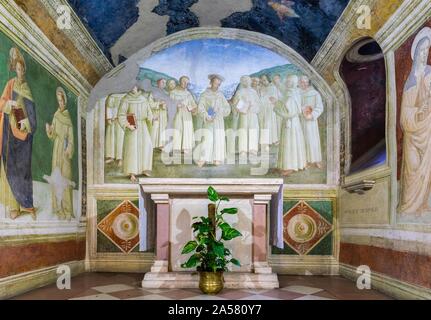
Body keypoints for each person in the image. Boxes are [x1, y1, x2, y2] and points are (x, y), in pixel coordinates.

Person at [0, 51, 37, 220]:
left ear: (25, 70)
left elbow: (32, 117)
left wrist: (27, 123)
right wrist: (9, 103)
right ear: (15, 69)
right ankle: (14, 206)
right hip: (9, 131)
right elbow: (1, 102)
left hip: (23, 136)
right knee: (10, 167)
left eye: (22, 69)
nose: (19, 71)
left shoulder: (28, 89)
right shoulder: (10, 84)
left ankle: (26, 204)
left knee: (23, 169)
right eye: (17, 68)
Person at [399, 27, 431, 215]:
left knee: (427, 168)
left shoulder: (429, 73)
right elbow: (404, 117)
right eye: (421, 50)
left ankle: (423, 204)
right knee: (413, 169)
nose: (424, 54)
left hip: (428, 130)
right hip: (413, 133)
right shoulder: (410, 80)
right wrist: (418, 112)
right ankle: (409, 206)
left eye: (427, 50)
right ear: (415, 51)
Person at [45, 87, 74, 220]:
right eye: (58, 101)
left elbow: (71, 138)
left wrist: (69, 147)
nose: (60, 103)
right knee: (56, 178)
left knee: (65, 178)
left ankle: (67, 209)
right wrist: (50, 130)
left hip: (64, 150)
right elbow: (53, 135)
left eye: (62, 100)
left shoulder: (68, 117)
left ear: (65, 101)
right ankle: (58, 208)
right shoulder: (56, 115)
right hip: (56, 149)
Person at [118, 85, 154, 182]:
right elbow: (121, 114)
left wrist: (151, 118)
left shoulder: (143, 99)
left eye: (134, 86)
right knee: (132, 150)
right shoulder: (126, 99)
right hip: (132, 127)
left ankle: (144, 168)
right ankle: (131, 173)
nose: (132, 88)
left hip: (143, 125)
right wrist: (127, 125)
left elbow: (149, 112)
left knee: (147, 145)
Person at [273, 75, 307, 175]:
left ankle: (289, 167)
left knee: (289, 143)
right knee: (294, 142)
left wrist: (276, 105)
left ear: (291, 83)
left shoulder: (291, 94)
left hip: (290, 122)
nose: (286, 83)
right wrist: (278, 83)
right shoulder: (294, 91)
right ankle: (298, 164)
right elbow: (285, 99)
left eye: (287, 82)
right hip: (294, 122)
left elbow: (288, 112)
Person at [196, 74, 231, 167]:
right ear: (211, 82)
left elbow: (227, 107)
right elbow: (200, 107)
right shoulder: (205, 94)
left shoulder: (220, 95)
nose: (217, 86)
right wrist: (207, 116)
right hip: (209, 119)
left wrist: (221, 111)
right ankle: (203, 158)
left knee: (218, 138)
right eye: (215, 83)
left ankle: (217, 158)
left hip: (219, 120)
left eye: (219, 84)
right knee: (208, 138)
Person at [230, 76, 261, 157]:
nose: (247, 82)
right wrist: (243, 105)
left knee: (253, 130)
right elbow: (235, 104)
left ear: (250, 81)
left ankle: (253, 149)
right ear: (242, 82)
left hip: (253, 114)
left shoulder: (254, 92)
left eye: (248, 80)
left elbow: (258, 103)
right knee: (243, 131)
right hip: (243, 115)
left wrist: (252, 106)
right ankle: (242, 150)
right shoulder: (239, 92)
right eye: (244, 81)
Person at [299, 75, 324, 168]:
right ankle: (306, 161)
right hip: (301, 120)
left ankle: (316, 160)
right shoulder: (298, 93)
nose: (303, 84)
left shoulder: (315, 93)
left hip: (311, 121)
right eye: (301, 82)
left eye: (305, 82)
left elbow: (320, 107)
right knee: (303, 140)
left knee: (313, 140)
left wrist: (312, 115)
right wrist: (302, 110)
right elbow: (297, 105)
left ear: (308, 83)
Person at [170, 76, 198, 154]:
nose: (185, 84)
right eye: (184, 82)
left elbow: (194, 105)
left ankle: (186, 147)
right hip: (177, 114)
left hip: (187, 114)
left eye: (187, 83)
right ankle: (176, 147)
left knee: (187, 130)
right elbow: (169, 104)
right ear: (180, 82)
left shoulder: (188, 94)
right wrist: (176, 105)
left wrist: (190, 108)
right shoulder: (173, 92)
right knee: (177, 129)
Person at [259, 75, 279, 151]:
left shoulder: (273, 88)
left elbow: (274, 98)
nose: (263, 82)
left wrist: (269, 99)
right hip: (263, 109)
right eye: (262, 80)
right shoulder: (261, 88)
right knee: (264, 125)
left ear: (268, 80)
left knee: (270, 124)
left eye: (265, 80)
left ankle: (273, 140)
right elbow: (261, 98)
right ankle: (266, 142)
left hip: (270, 108)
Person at [105, 93, 126, 166]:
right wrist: (109, 118)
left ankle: (120, 158)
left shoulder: (126, 96)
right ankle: (111, 156)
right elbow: (109, 107)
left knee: (120, 139)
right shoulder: (112, 96)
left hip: (122, 121)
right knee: (111, 139)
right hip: (113, 121)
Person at [150, 79, 169, 150]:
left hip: (163, 114)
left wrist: (165, 105)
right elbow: (150, 104)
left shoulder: (166, 93)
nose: (164, 84)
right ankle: (152, 145)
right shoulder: (153, 93)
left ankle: (161, 145)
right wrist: (159, 103)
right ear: (158, 83)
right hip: (156, 113)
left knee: (163, 129)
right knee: (155, 129)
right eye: (162, 82)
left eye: (165, 83)